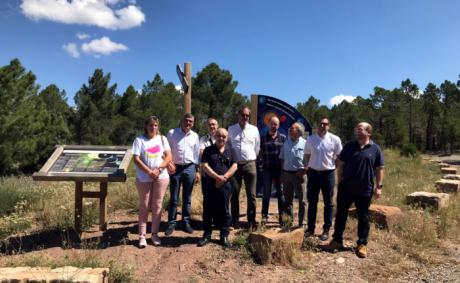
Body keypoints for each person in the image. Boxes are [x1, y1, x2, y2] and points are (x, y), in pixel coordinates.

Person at [324, 122, 384, 258]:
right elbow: (340, 164)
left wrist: (379, 187)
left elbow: (380, 169)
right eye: (356, 128)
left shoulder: (375, 149)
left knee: (363, 218)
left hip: (365, 189)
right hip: (346, 188)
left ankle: (362, 244)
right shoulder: (349, 146)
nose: (357, 130)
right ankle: (337, 240)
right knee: (340, 215)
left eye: (360, 128)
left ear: (368, 132)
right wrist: (340, 181)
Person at [132, 116, 172, 248]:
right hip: (144, 178)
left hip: (161, 176)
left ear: (158, 126)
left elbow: (169, 156)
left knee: (157, 205)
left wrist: (159, 169)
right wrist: (150, 172)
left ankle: (154, 234)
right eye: (150, 125)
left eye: (155, 125)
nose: (153, 127)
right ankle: (142, 236)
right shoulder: (139, 140)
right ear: (146, 126)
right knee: (144, 205)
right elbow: (136, 159)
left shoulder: (162, 139)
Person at [304, 117, 342, 241]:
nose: (322, 126)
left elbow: (339, 157)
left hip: (328, 174)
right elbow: (307, 155)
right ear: (317, 125)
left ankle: (326, 230)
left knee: (328, 203)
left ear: (328, 126)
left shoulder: (335, 139)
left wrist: (333, 168)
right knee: (312, 202)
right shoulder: (310, 139)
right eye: (320, 123)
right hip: (313, 174)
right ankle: (310, 228)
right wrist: (306, 167)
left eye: (325, 124)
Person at [198, 128, 237, 248]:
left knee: (225, 210)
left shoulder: (231, 151)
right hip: (210, 184)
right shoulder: (208, 150)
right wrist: (216, 178)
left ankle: (224, 235)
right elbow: (204, 165)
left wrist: (224, 178)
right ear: (215, 136)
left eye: (224, 137)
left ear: (227, 138)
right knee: (208, 209)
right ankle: (207, 235)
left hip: (225, 185)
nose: (222, 138)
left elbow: (235, 166)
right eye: (219, 136)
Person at [165, 113, 201, 236]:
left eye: (190, 121)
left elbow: (196, 155)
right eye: (186, 120)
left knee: (187, 198)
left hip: (190, 168)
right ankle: (171, 223)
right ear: (181, 121)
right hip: (175, 168)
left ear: (193, 123)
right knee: (174, 198)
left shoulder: (195, 136)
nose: (188, 123)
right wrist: (168, 163)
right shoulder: (172, 133)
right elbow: (166, 150)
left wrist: (197, 170)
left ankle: (185, 222)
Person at [228, 106, 260, 229]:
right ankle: (234, 219)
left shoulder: (254, 129)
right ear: (238, 115)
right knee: (234, 193)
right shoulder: (231, 129)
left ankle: (251, 221)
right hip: (235, 165)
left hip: (250, 164)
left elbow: (257, 147)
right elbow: (229, 145)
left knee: (251, 195)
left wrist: (251, 158)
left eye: (247, 115)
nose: (245, 117)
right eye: (243, 115)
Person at [259, 116, 286, 225]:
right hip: (267, 169)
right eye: (272, 123)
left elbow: (285, 154)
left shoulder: (283, 138)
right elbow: (260, 152)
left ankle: (282, 217)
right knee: (266, 193)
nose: (274, 126)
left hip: (280, 170)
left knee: (281, 194)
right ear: (268, 124)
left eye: (276, 124)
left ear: (278, 126)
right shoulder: (263, 138)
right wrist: (261, 162)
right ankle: (264, 217)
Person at [279, 122, 307, 228]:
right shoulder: (286, 143)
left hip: (299, 175)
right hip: (287, 175)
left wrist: (305, 170)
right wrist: (282, 172)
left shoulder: (305, 143)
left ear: (299, 132)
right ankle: (289, 222)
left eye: (293, 128)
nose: (290, 129)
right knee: (288, 200)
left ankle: (302, 223)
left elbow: (310, 158)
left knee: (302, 200)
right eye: (290, 128)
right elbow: (282, 158)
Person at [199, 117, 218, 239]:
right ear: (207, 126)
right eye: (210, 124)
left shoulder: (222, 137)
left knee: (219, 199)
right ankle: (207, 225)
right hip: (206, 174)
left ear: (218, 125)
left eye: (214, 124)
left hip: (220, 174)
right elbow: (201, 154)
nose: (212, 126)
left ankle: (217, 222)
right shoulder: (202, 139)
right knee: (207, 199)